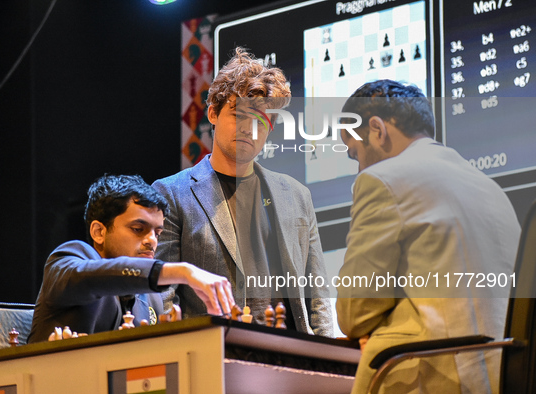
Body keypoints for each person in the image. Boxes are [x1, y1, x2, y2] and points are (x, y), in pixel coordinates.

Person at [335, 79, 521, 393]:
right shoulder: (491, 188)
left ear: (377, 130)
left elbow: (354, 312)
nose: (359, 169)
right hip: (508, 376)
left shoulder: (381, 179)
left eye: (355, 154)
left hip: (437, 375)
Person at [152, 47, 333, 336]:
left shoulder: (297, 196)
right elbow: (164, 298)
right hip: (217, 357)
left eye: (260, 121)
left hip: (292, 357)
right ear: (213, 113)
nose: (249, 129)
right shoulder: (171, 194)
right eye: (238, 115)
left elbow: (317, 296)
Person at [28, 174, 235, 343]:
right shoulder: (71, 258)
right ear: (99, 232)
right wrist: (183, 271)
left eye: (158, 233)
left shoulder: (151, 297)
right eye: (138, 229)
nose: (152, 241)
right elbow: (89, 278)